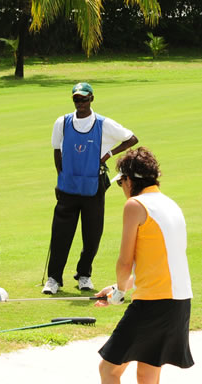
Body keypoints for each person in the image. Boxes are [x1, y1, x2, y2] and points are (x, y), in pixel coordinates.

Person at [65, 147, 193, 384]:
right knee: (148, 379)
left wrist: (120, 291)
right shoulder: (170, 204)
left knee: (109, 370)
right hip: (177, 302)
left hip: (154, 303)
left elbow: (125, 261)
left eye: (121, 181)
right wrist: (119, 290)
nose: (121, 187)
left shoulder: (135, 205)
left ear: (130, 181)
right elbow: (157, 264)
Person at [43, 82, 138, 295]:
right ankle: (53, 278)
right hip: (68, 188)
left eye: (84, 99)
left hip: (93, 188)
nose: (80, 103)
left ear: (91, 99)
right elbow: (57, 151)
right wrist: (61, 177)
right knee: (60, 235)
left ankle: (84, 274)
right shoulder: (63, 122)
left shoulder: (103, 124)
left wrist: (109, 155)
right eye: (77, 99)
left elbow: (131, 138)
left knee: (92, 235)